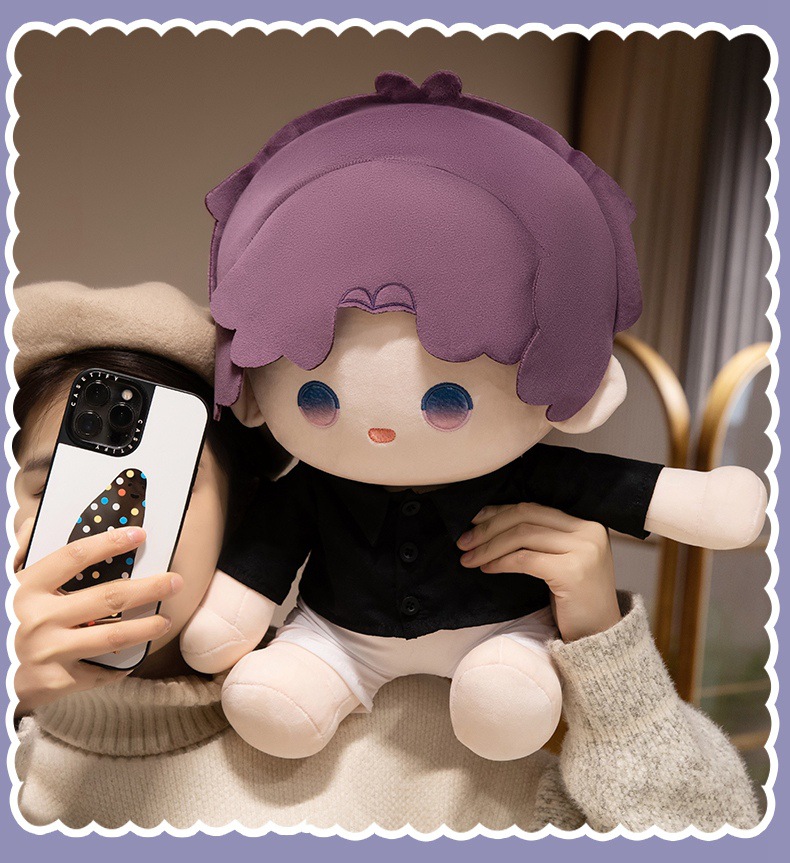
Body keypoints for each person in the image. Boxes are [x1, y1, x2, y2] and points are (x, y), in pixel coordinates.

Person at [11, 282, 760, 832]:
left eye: (162, 488)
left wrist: (603, 655)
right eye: (50, 489)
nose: (114, 530)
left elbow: (715, 834)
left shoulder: (424, 738)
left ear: (244, 509)